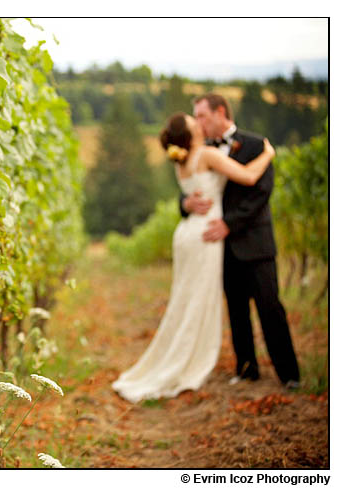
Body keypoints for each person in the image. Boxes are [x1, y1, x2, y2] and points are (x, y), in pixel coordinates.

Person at [111, 111, 276, 404]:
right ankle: (185, 361)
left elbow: (191, 193)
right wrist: (268, 153)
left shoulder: (182, 160)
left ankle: (179, 357)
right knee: (197, 299)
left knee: (186, 298)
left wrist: (187, 203)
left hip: (188, 233)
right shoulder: (207, 154)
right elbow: (250, 176)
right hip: (207, 234)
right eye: (193, 121)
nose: (199, 123)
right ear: (190, 134)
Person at [186, 94, 300, 389]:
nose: (199, 123)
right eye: (195, 118)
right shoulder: (201, 151)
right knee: (236, 311)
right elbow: (190, 188)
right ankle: (247, 368)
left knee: (270, 307)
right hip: (222, 247)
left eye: (202, 116)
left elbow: (261, 193)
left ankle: (289, 374)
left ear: (220, 112)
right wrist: (185, 203)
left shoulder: (255, 145)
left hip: (256, 242)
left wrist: (229, 223)